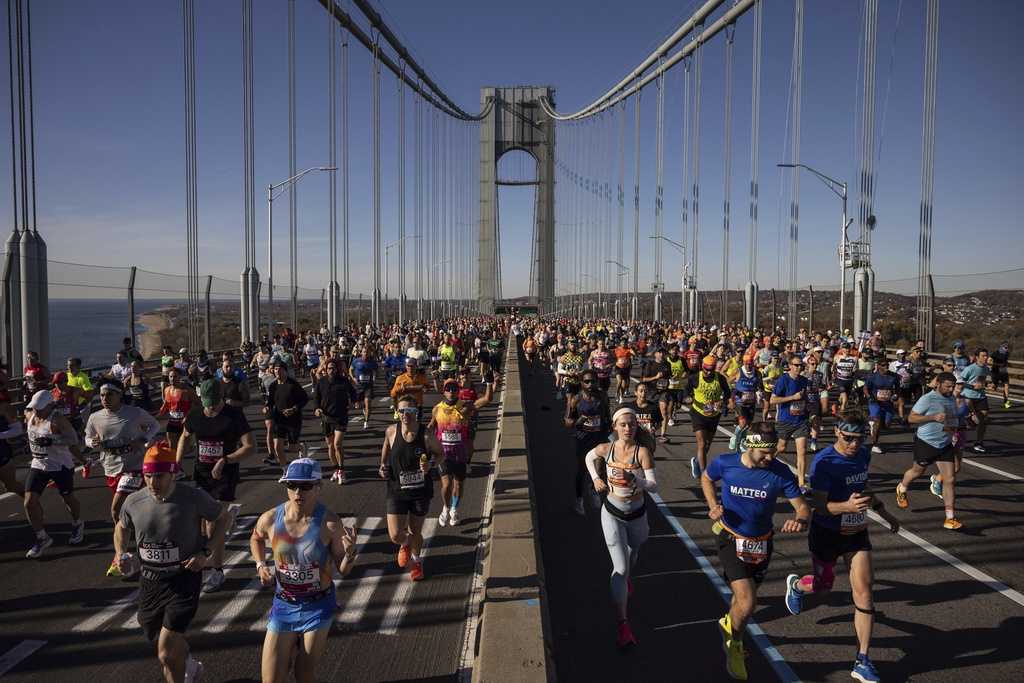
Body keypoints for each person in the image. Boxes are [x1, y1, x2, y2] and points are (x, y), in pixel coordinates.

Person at [783, 411, 900, 683]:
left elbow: (864, 484)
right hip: (826, 533)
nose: (854, 444)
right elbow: (818, 505)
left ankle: (862, 659)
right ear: (837, 432)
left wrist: (884, 511)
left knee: (865, 591)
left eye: (859, 439)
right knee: (824, 585)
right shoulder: (824, 462)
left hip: (856, 532)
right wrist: (846, 506)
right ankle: (798, 586)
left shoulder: (862, 454)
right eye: (848, 438)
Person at [701, 422, 809, 681]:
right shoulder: (726, 463)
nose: (770, 457)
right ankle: (735, 646)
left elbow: (803, 508)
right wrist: (713, 505)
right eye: (765, 453)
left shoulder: (780, 473)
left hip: (762, 542)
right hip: (729, 537)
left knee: (741, 602)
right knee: (748, 601)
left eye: (773, 452)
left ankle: (730, 626)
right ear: (750, 446)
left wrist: (800, 520)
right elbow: (706, 477)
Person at [115, 443, 231, 683]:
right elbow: (121, 527)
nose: (152, 483)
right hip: (150, 581)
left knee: (166, 654)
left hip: (184, 577)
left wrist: (206, 552)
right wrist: (120, 554)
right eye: (147, 476)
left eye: (159, 476)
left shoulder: (193, 497)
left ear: (173, 474)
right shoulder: (134, 501)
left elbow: (223, 518)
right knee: (155, 632)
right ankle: (188, 663)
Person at [250, 458, 357, 683]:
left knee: (303, 674)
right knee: (270, 680)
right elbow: (256, 537)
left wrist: (350, 554)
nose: (298, 491)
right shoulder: (271, 519)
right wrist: (260, 565)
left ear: (318, 487)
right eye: (292, 485)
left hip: (318, 606)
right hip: (284, 604)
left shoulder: (329, 523)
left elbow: (343, 570)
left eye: (306, 486)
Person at [584, 407, 657, 649]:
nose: (628, 428)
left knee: (634, 550)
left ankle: (626, 581)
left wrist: (635, 480)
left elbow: (654, 486)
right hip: (612, 512)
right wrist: (595, 477)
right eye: (623, 424)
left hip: (637, 514)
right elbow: (588, 457)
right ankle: (623, 625)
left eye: (632, 424)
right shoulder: (607, 449)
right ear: (615, 427)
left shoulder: (642, 452)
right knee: (621, 567)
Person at [177, 379, 254, 592]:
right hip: (201, 474)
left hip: (225, 474)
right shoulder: (195, 414)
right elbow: (184, 437)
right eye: (207, 402)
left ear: (222, 397)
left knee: (213, 523)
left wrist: (225, 460)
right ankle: (210, 553)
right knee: (200, 523)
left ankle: (216, 571)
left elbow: (250, 447)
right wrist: (176, 463)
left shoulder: (234, 415)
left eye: (214, 402)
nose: (210, 407)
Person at [85, 380, 161, 576]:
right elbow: (87, 437)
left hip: (133, 467)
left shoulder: (134, 413)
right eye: (102, 395)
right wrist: (92, 442)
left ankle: (121, 555)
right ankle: (141, 538)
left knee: (116, 508)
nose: (105, 399)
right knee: (126, 512)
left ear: (120, 395)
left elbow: (154, 425)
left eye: (109, 394)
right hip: (110, 467)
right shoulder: (95, 417)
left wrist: (143, 440)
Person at [380, 394, 444, 581]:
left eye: (410, 411)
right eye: (402, 411)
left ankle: (416, 562)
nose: (405, 415)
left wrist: (431, 464)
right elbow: (386, 447)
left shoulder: (426, 435)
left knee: (416, 530)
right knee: (395, 535)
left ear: (416, 412)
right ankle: (405, 543)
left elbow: (440, 454)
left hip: (420, 491)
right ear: (397, 412)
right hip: (396, 490)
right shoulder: (391, 431)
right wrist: (382, 465)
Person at [895, 372, 963, 529]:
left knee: (950, 479)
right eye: (948, 386)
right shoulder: (927, 398)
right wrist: (932, 417)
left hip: (944, 443)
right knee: (917, 472)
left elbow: (950, 417)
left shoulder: (951, 398)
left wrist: (957, 427)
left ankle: (950, 518)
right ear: (938, 384)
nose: (951, 389)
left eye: (953, 386)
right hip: (926, 442)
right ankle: (902, 487)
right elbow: (911, 418)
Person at [23, 390, 87, 558]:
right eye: (35, 408)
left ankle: (77, 523)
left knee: (67, 499)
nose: (37, 411)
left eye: (40, 408)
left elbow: (73, 440)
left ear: (50, 406)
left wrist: (52, 440)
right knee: (29, 502)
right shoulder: (30, 415)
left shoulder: (58, 419)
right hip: (38, 464)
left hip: (60, 466)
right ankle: (42, 537)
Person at [430, 378, 492, 526]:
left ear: (458, 390)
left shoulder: (465, 406)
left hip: (460, 454)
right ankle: (445, 508)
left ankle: (454, 509)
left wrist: (489, 383)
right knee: (446, 485)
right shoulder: (437, 409)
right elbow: (431, 426)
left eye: (454, 389)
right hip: (443, 454)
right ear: (443, 391)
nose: (451, 391)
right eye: (448, 389)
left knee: (458, 485)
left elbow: (487, 400)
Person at [564, 369, 612, 516]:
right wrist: (579, 420)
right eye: (587, 381)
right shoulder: (575, 399)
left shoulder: (602, 396)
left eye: (593, 381)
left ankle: (593, 491)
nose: (590, 384)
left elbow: (607, 416)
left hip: (599, 437)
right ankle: (579, 500)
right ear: (581, 383)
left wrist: (609, 428)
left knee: (598, 469)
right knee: (582, 470)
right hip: (582, 439)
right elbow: (567, 423)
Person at [314, 357, 358, 484]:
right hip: (326, 417)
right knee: (330, 446)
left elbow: (353, 392)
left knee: (337, 444)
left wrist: (354, 401)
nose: (331, 370)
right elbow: (316, 397)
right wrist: (317, 408)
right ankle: (335, 469)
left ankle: (342, 471)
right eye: (328, 368)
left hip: (340, 417)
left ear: (337, 369)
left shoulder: (343, 381)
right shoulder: (321, 381)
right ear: (325, 370)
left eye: (333, 368)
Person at [687, 355, 732, 479]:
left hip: (713, 415)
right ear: (702, 367)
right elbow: (685, 392)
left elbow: (727, 393)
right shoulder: (695, 378)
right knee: (701, 444)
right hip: (698, 414)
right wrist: (688, 398)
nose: (708, 372)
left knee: (707, 445)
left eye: (711, 369)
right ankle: (704, 473)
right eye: (706, 369)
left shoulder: (720, 379)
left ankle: (696, 461)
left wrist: (722, 401)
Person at [771, 355, 812, 489]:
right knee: (781, 447)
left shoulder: (804, 381)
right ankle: (763, 463)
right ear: (790, 365)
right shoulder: (783, 380)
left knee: (802, 451)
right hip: (785, 420)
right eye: (796, 365)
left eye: (801, 365)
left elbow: (805, 398)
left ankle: (801, 482)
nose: (799, 367)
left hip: (801, 421)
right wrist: (792, 397)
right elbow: (773, 400)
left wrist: (809, 409)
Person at [264, 359, 309, 468]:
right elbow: (270, 402)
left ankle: (301, 447)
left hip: (293, 419)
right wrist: (267, 407)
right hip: (279, 420)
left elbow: (305, 399)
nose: (277, 372)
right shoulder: (273, 386)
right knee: (277, 447)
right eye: (275, 369)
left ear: (285, 371)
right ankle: (284, 471)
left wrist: (294, 409)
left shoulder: (292, 384)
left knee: (292, 448)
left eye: (280, 370)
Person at [959, 348, 991, 453]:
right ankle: (968, 419)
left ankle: (979, 443)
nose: (986, 358)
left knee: (983, 420)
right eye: (983, 356)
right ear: (977, 357)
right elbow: (960, 382)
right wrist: (972, 386)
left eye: (986, 355)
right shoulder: (970, 368)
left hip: (981, 396)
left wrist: (989, 384)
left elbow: (982, 382)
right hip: (968, 396)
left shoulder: (986, 369)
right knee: (972, 421)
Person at [863, 359, 898, 455]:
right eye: (883, 365)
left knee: (886, 425)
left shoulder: (893, 376)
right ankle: (875, 444)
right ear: (878, 366)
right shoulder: (873, 376)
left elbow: (897, 389)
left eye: (887, 365)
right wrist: (869, 397)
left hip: (888, 403)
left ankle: (873, 423)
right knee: (877, 422)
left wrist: (896, 396)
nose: (886, 367)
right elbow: (866, 388)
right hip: (875, 402)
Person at [0, 396, 25, 497]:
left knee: (11, 486)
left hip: (2, 455)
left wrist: (1, 435)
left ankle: (32, 502)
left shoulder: (3, 407)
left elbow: (18, 429)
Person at [349, 347, 378, 429]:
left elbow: (376, 370)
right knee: (359, 405)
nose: (366, 353)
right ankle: (364, 409)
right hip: (358, 386)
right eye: (364, 352)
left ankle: (366, 422)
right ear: (361, 353)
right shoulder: (356, 361)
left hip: (368, 386)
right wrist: (353, 378)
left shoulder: (372, 362)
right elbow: (350, 370)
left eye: (367, 352)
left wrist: (374, 378)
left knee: (368, 403)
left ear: (369, 353)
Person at [990, 341, 1012, 410]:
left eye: (1008, 347)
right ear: (1001, 347)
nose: (1007, 349)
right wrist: (998, 365)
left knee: (1007, 385)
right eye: (1005, 347)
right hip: (995, 372)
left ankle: (1006, 402)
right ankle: (985, 385)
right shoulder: (996, 353)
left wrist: (1006, 364)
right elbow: (989, 361)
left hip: (1004, 372)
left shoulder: (1007, 353)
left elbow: (1004, 361)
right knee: (993, 388)